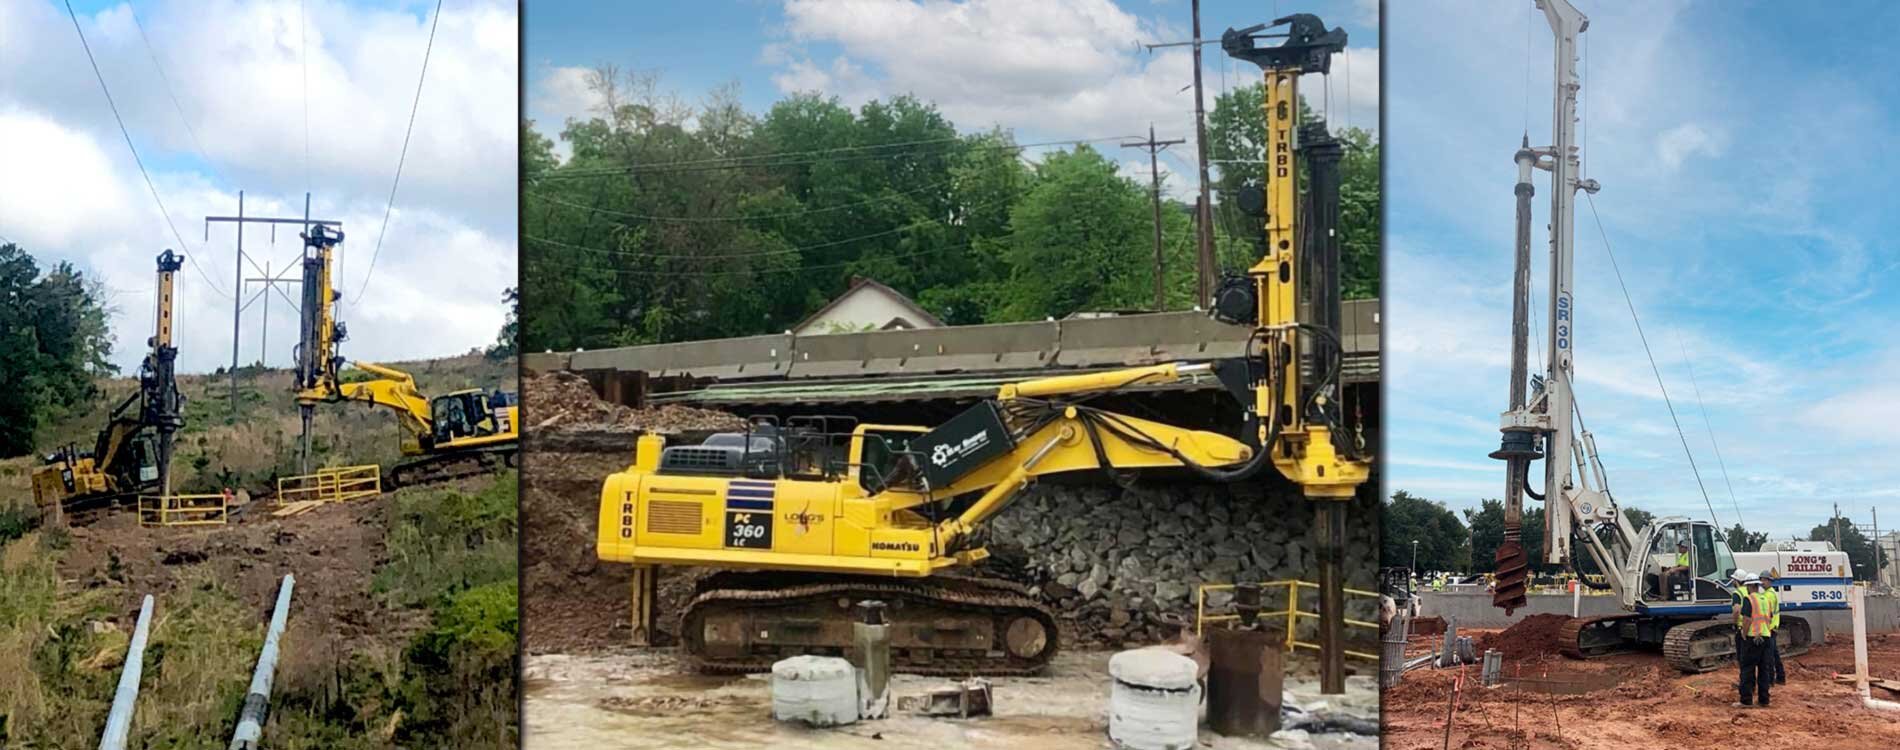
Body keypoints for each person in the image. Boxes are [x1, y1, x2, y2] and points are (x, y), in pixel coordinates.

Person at [1734, 573, 1774, 708]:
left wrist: (1744, 634)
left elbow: (1747, 619)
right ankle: (1764, 700)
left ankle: (1746, 700)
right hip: (1766, 637)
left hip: (1752, 638)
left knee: (1747, 669)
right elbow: (1769, 617)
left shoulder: (1749, 599)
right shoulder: (1766, 599)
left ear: (1750, 586)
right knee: (1764, 669)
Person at [1761, 568, 1785, 685]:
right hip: (1771, 627)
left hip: (1769, 628)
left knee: (1769, 656)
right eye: (1762, 580)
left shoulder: (1768, 595)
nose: (1762, 582)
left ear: (1769, 581)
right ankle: (1780, 678)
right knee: (1774, 654)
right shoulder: (1768, 594)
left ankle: (1770, 680)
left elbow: (1767, 613)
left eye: (1765, 580)